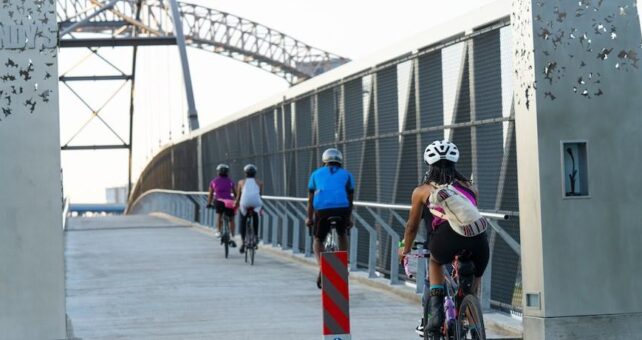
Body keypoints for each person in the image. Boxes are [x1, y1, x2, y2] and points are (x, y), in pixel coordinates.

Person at [398, 140, 489, 339]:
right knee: (475, 279)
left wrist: (405, 249)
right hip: (478, 239)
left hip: (446, 240)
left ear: (429, 165)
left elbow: (412, 226)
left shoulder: (422, 191)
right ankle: (472, 318)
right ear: (455, 163)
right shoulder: (470, 187)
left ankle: (436, 312)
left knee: (436, 261)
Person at [306, 148, 355, 289]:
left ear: (324, 160)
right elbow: (350, 200)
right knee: (342, 234)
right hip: (342, 209)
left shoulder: (315, 174)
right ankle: (343, 264)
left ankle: (322, 266)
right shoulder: (347, 174)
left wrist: (309, 218)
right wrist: (348, 219)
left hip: (322, 210)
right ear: (340, 160)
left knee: (318, 240)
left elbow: (310, 200)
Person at [235, 164, 263, 254]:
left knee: (242, 220)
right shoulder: (260, 182)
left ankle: (243, 243)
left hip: (245, 203)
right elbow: (260, 195)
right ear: (255, 173)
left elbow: (238, 197)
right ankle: (255, 237)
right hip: (256, 203)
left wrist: (236, 203)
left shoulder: (240, 182)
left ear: (245, 173)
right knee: (255, 216)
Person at [207, 163, 237, 247]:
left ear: (218, 172)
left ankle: (218, 231)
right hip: (229, 202)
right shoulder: (230, 181)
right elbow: (235, 193)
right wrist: (237, 202)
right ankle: (232, 235)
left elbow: (211, 194)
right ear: (227, 172)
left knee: (219, 215)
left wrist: (209, 203)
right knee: (231, 218)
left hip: (219, 201)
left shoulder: (213, 182)